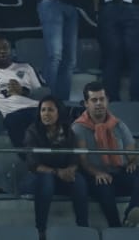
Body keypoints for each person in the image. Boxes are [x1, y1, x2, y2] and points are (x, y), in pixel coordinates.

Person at [73, 83, 139, 227]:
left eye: (102, 99)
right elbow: (82, 161)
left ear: (107, 101)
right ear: (86, 104)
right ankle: (116, 227)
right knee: (104, 185)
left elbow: (131, 152)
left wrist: (132, 162)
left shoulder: (118, 124)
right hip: (94, 176)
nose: (99, 103)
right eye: (94, 100)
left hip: (118, 172)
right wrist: (97, 173)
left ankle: (131, 213)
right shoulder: (78, 128)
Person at [24, 96, 89, 232]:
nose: (46, 113)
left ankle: (83, 228)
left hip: (62, 177)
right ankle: (40, 230)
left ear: (59, 112)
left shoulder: (67, 131)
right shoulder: (32, 131)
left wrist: (71, 169)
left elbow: (74, 157)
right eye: (43, 110)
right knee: (47, 181)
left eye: (50, 110)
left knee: (79, 180)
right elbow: (33, 164)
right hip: (38, 177)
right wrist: (57, 172)